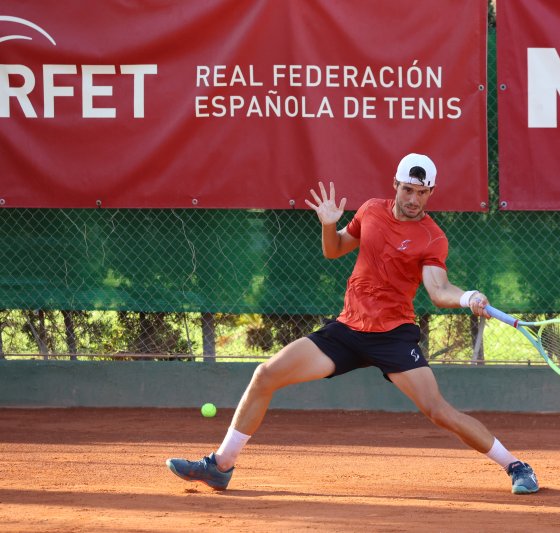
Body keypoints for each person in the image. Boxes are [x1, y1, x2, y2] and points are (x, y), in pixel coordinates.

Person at [166, 153, 539, 495]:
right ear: (395, 185)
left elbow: (439, 290)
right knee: (265, 374)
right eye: (407, 190)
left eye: (422, 193)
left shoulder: (432, 237)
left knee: (438, 411)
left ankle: (517, 466)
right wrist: (329, 225)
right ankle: (221, 465)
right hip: (347, 330)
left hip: (393, 336)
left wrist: (467, 296)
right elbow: (335, 249)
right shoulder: (372, 211)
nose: (413, 199)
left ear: (431, 192)